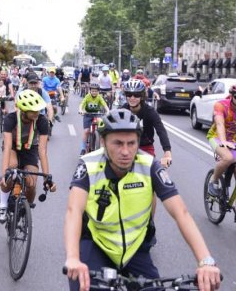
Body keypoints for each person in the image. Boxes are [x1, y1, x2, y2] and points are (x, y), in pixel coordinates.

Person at [63, 110, 222, 291]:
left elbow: (181, 213)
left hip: (135, 248)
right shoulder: (88, 164)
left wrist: (206, 261)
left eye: (131, 143)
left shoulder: (149, 165)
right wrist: (73, 258)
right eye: (118, 143)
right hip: (98, 243)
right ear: (103, 142)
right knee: (80, 283)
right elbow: (73, 211)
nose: (125, 151)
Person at [0, 89, 56, 223]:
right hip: (12, 147)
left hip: (30, 149)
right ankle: (3, 206)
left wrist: (47, 177)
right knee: (11, 168)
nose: (37, 113)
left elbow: (42, 150)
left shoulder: (42, 120)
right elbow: (7, 147)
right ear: (23, 110)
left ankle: (25, 211)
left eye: (38, 110)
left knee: (31, 183)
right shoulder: (10, 119)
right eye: (33, 111)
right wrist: (4, 173)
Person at [120, 79, 172, 167]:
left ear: (142, 96)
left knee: (153, 174)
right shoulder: (122, 110)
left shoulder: (150, 112)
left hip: (145, 148)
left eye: (136, 95)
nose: (132, 98)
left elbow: (161, 131)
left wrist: (167, 152)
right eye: (129, 94)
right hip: (126, 147)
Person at [78, 83, 110, 155]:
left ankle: (102, 149)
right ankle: (83, 148)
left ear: (98, 91)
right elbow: (82, 104)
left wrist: (108, 111)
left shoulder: (99, 97)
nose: (94, 92)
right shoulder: (87, 96)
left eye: (96, 91)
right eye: (92, 91)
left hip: (97, 114)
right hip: (87, 115)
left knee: (101, 131)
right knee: (86, 131)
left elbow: (104, 104)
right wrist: (80, 110)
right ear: (90, 91)